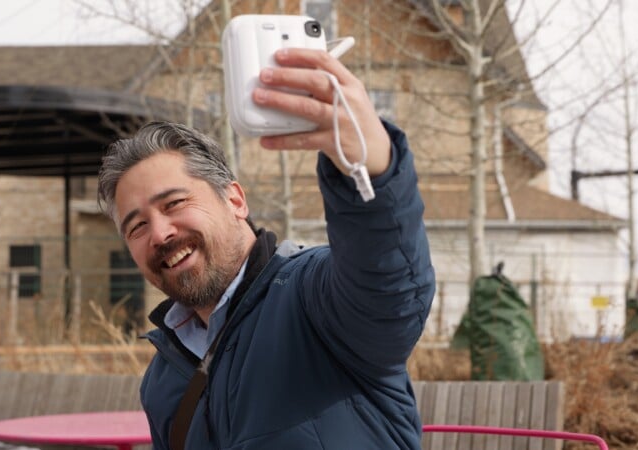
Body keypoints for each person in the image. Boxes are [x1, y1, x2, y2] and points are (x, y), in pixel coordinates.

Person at [97, 47, 435, 450]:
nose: (160, 233)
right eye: (137, 226)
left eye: (174, 204)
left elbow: (389, 288)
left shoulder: (313, 299)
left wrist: (370, 171)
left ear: (235, 200)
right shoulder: (163, 378)